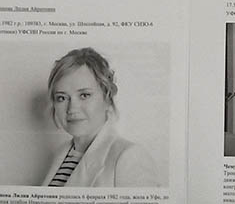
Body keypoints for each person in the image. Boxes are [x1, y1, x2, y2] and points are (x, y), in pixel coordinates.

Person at [41, 47, 159, 187]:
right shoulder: (60, 154)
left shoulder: (129, 157)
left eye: (84, 95)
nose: (72, 108)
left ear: (107, 98)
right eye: (61, 98)